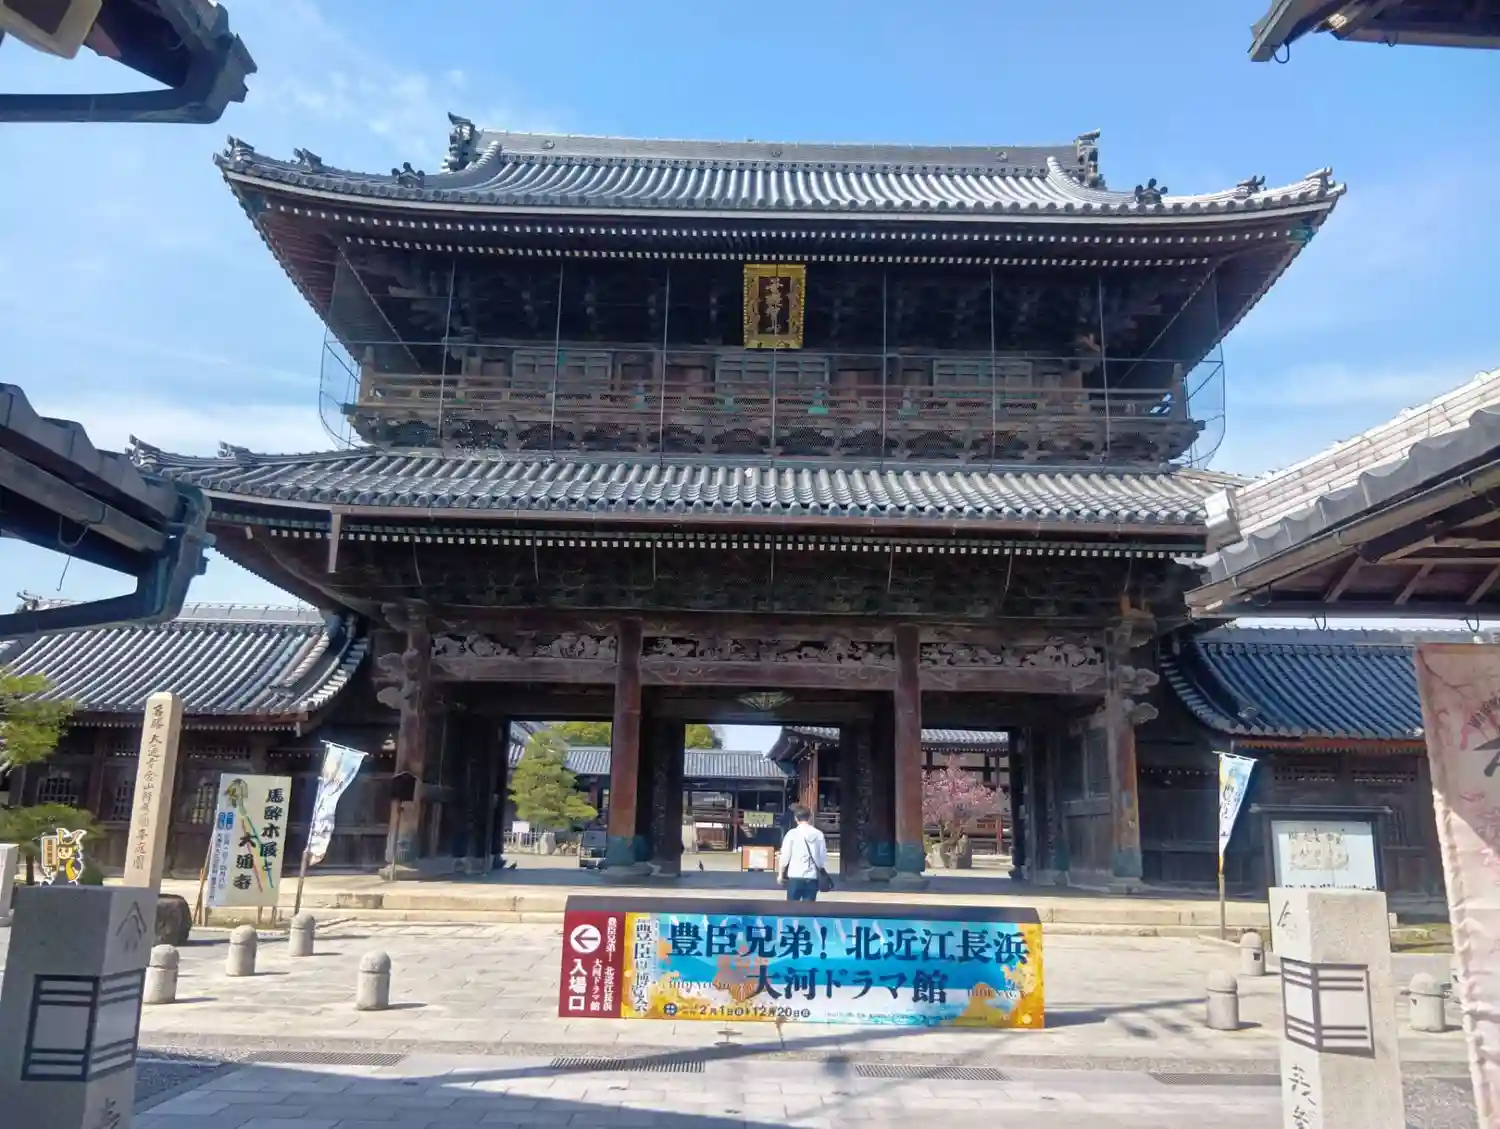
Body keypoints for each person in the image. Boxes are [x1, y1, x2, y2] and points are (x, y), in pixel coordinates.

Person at [777, 805, 829, 902]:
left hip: (795, 875)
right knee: (808, 908)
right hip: (812, 876)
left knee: (792, 907)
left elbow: (785, 856)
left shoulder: (792, 834)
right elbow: (822, 858)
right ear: (810, 817)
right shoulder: (818, 834)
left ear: (795, 818)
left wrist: (781, 874)